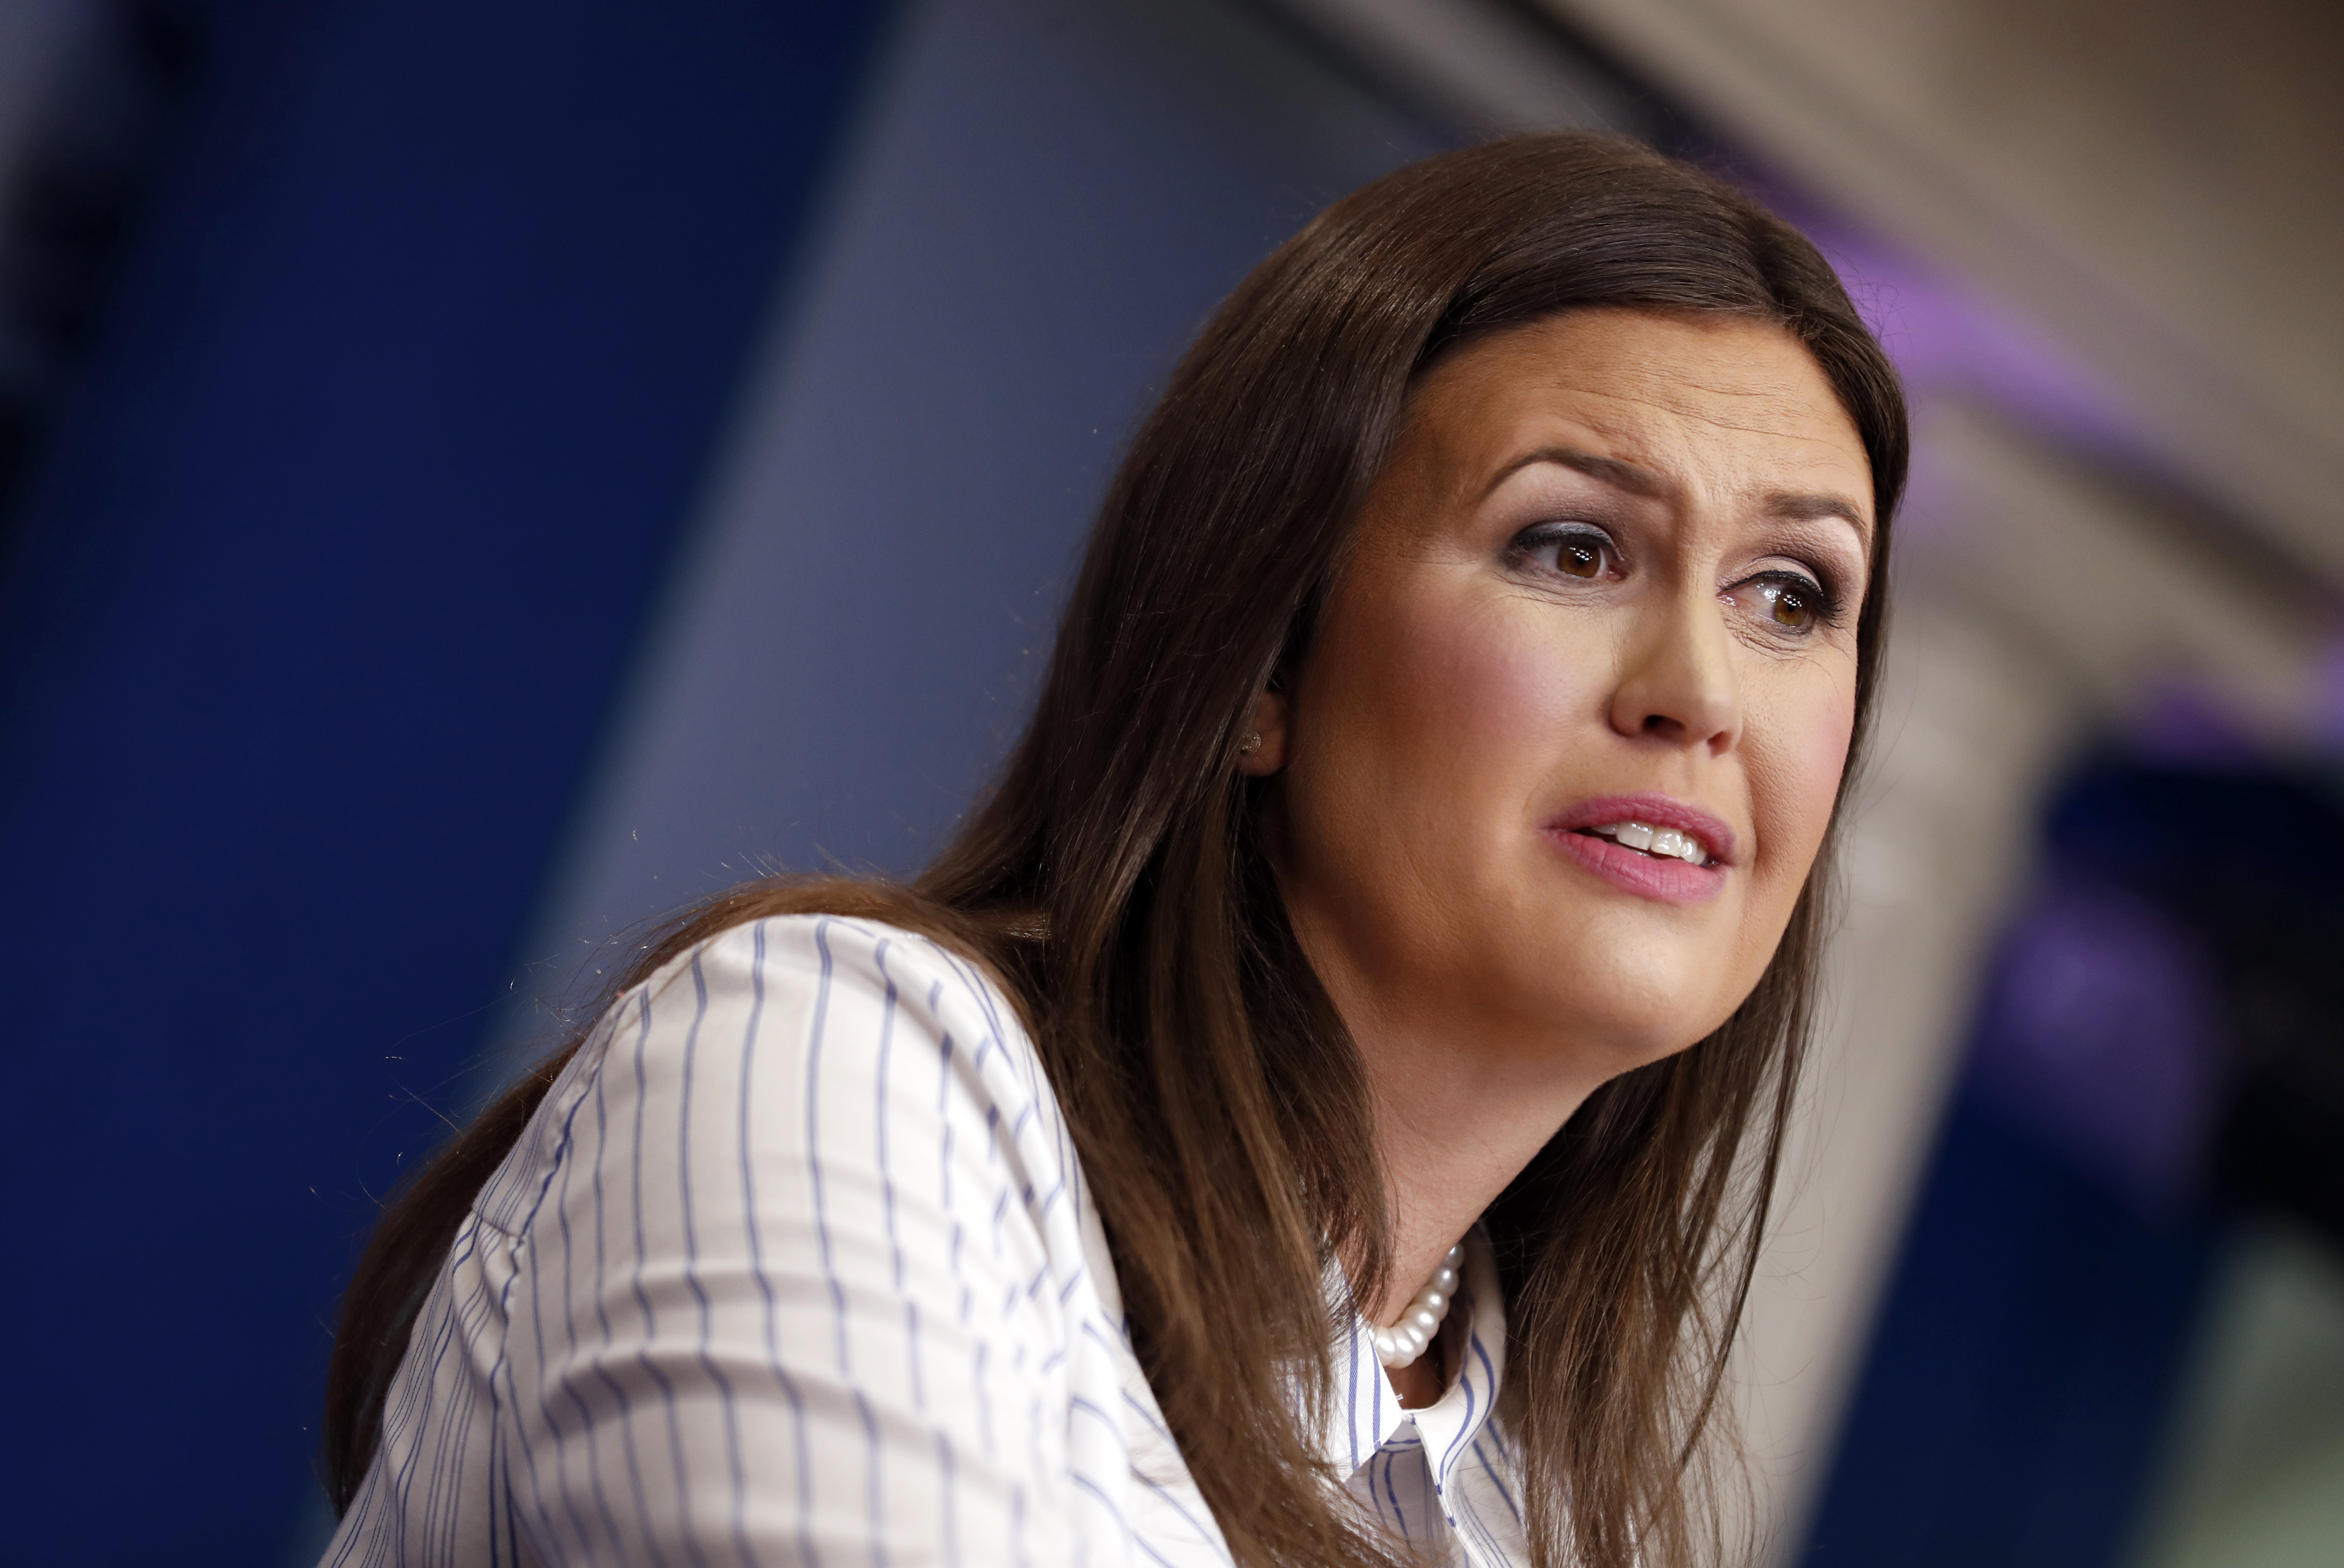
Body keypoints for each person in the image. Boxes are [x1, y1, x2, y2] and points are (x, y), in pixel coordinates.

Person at [319, 131, 1903, 1568]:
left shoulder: (1540, 1515)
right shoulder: (841, 1061)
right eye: (1572, 546)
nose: (1701, 693)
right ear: (1261, 663)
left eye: (1792, 597)